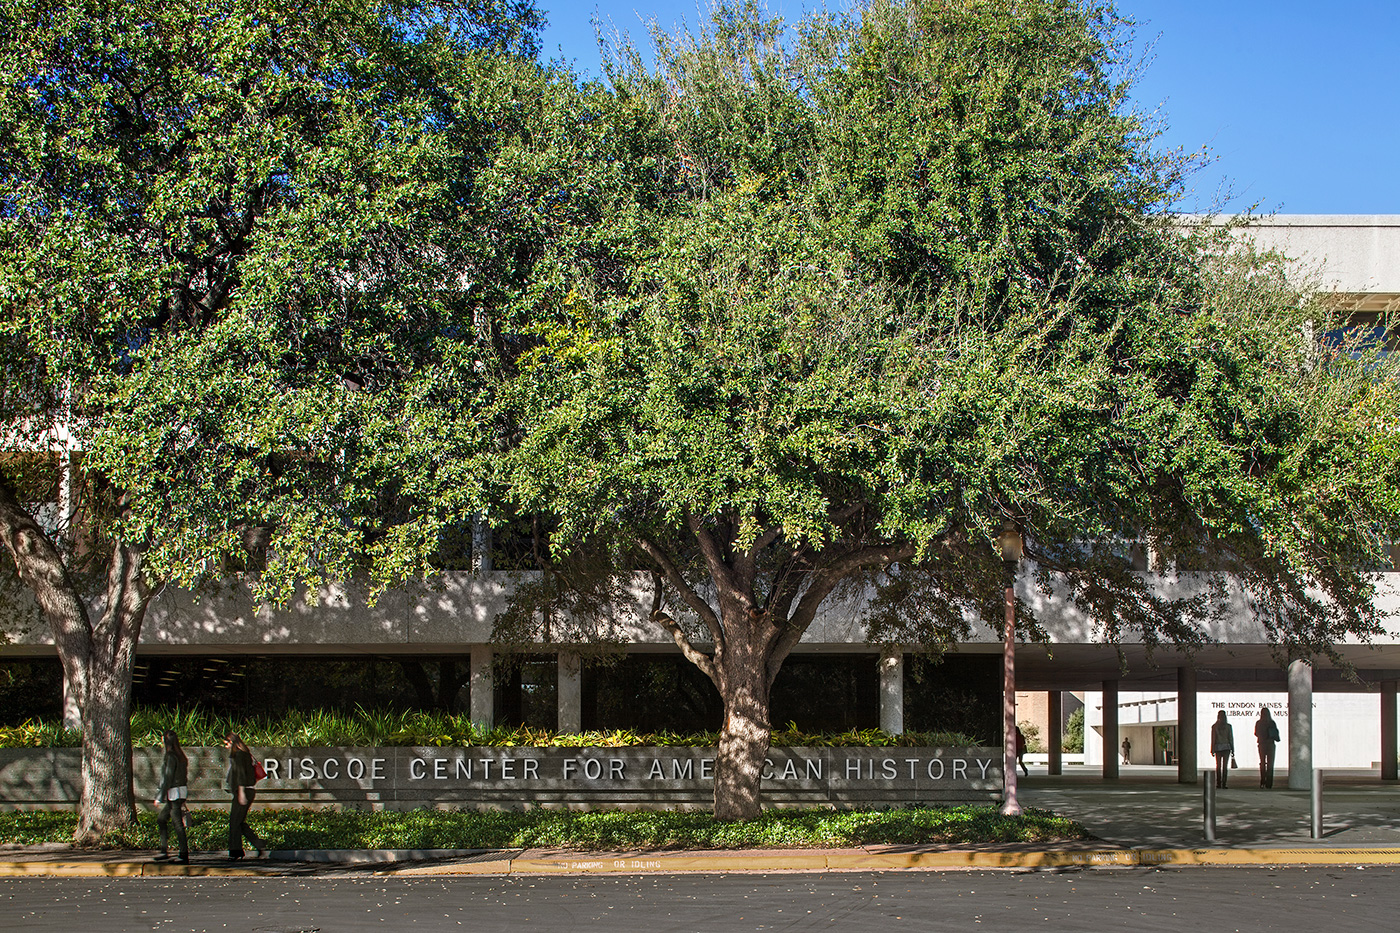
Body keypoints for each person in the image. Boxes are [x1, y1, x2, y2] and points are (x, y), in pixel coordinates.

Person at [224, 732, 267, 860]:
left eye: (226, 743)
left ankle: (235, 852)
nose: (225, 746)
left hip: (242, 791)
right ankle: (259, 844)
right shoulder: (246, 754)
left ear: (232, 743)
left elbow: (241, 775)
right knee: (239, 822)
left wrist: (241, 793)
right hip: (249, 790)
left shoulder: (238, 755)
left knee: (234, 822)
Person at [154, 729, 189, 864]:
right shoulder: (181, 756)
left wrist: (159, 796)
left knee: (177, 824)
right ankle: (164, 851)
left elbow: (167, 778)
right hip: (180, 792)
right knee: (162, 819)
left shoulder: (170, 756)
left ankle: (183, 854)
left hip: (173, 793)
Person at [1255, 707, 1281, 788]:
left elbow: (1256, 733)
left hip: (1262, 744)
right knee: (1270, 764)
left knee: (1262, 762)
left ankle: (1262, 781)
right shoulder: (1272, 722)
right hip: (1270, 744)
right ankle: (1269, 783)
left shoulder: (1259, 723)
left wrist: (1262, 735)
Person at [1211, 710, 1235, 788]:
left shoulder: (1214, 726)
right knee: (1225, 766)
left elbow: (1213, 738)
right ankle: (1224, 783)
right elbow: (1230, 738)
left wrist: (1212, 749)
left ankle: (1218, 783)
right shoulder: (1228, 726)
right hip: (1226, 747)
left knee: (1218, 766)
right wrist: (1232, 749)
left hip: (1218, 747)